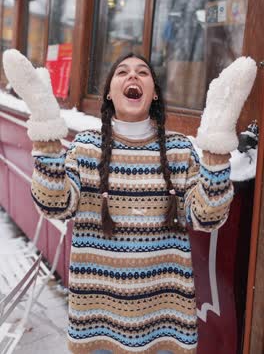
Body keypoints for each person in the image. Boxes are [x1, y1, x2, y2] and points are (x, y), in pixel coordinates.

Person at [3, 50, 257, 354]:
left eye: (143, 72)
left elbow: (206, 217)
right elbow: (55, 205)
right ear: (110, 94)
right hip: (97, 321)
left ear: (154, 94)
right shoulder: (86, 147)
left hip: (166, 322)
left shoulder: (178, 150)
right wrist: (46, 134)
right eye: (122, 72)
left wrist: (216, 150)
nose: (133, 76)